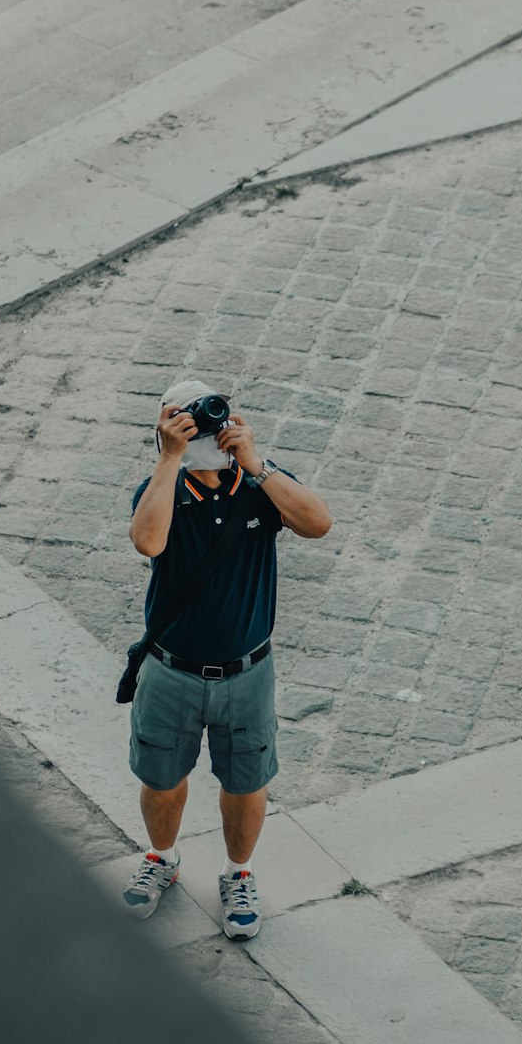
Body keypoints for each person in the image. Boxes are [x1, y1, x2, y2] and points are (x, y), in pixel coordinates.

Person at [123, 378, 332, 939]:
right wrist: (170, 458)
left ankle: (238, 873)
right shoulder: (160, 487)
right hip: (171, 670)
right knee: (163, 778)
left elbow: (318, 523)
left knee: (245, 783)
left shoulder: (260, 483)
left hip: (248, 672)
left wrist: (257, 462)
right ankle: (161, 858)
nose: (210, 427)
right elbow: (147, 541)